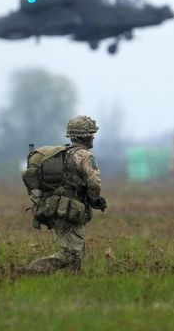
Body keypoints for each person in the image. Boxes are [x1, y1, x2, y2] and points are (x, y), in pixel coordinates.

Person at [18, 115, 107, 274]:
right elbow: (94, 182)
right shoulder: (85, 156)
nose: (93, 137)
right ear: (86, 136)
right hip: (69, 210)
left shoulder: (63, 153)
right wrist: (95, 200)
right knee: (71, 254)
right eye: (92, 134)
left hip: (54, 206)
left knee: (76, 252)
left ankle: (73, 283)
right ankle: (29, 271)